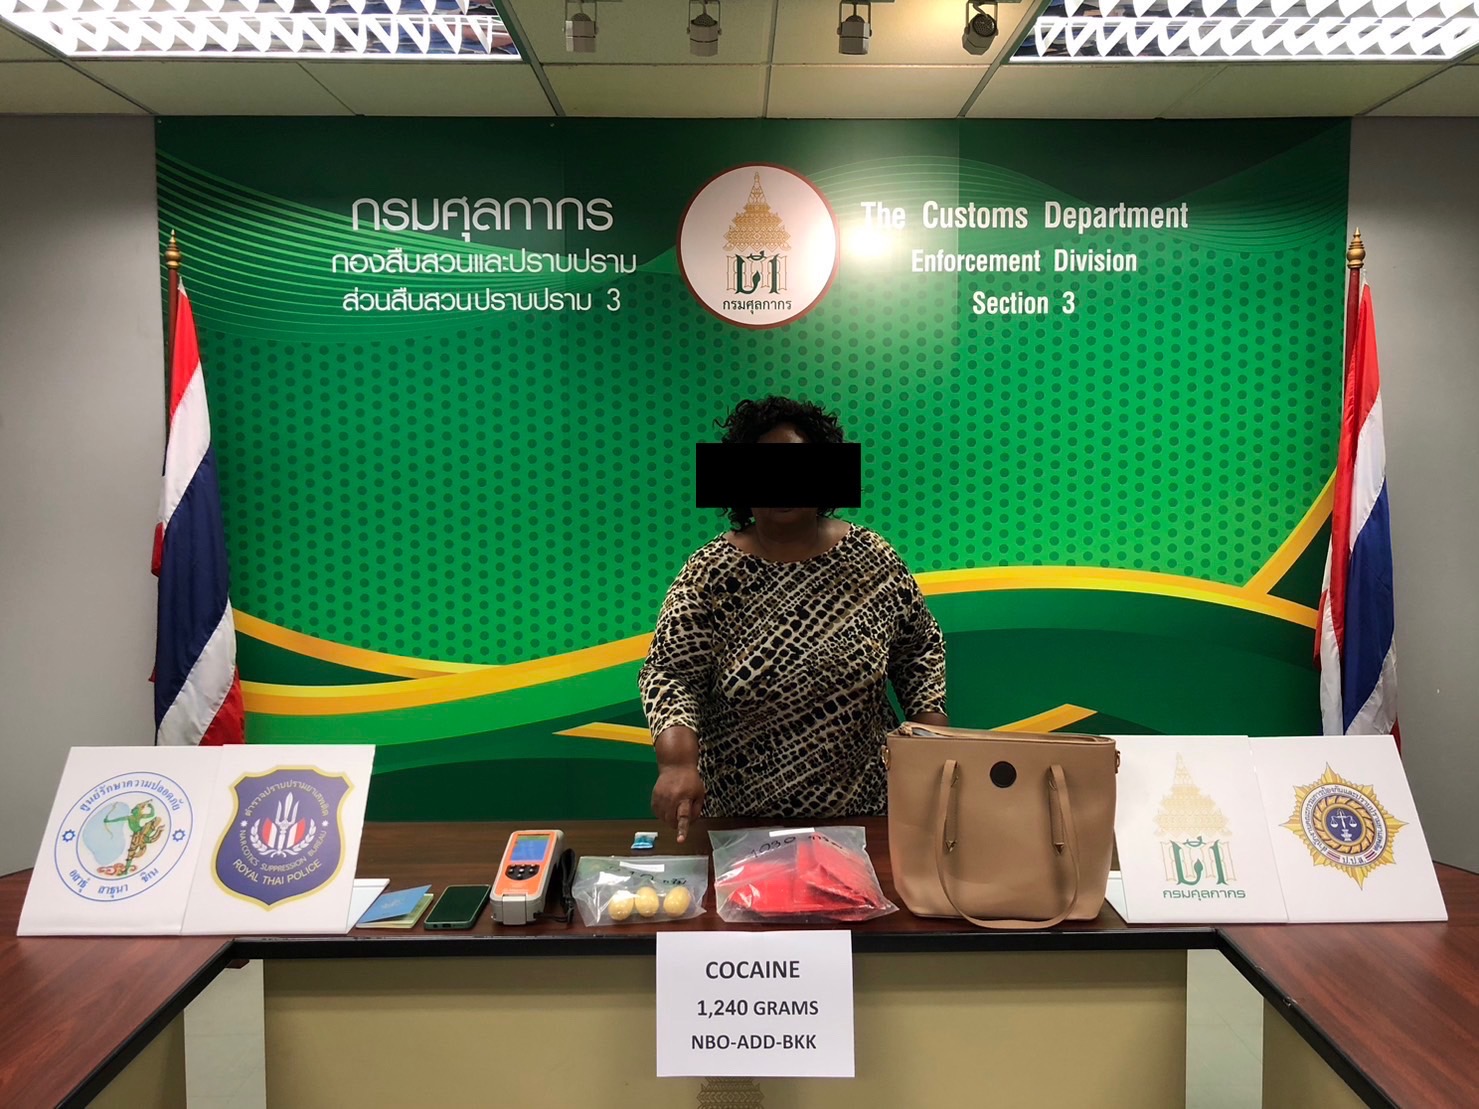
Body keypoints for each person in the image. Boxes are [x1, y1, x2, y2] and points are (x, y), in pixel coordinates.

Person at [639, 397, 948, 841]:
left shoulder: (871, 562)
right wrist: (676, 764)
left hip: (863, 818)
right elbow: (669, 673)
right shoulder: (711, 573)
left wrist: (931, 735)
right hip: (741, 824)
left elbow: (918, 648)